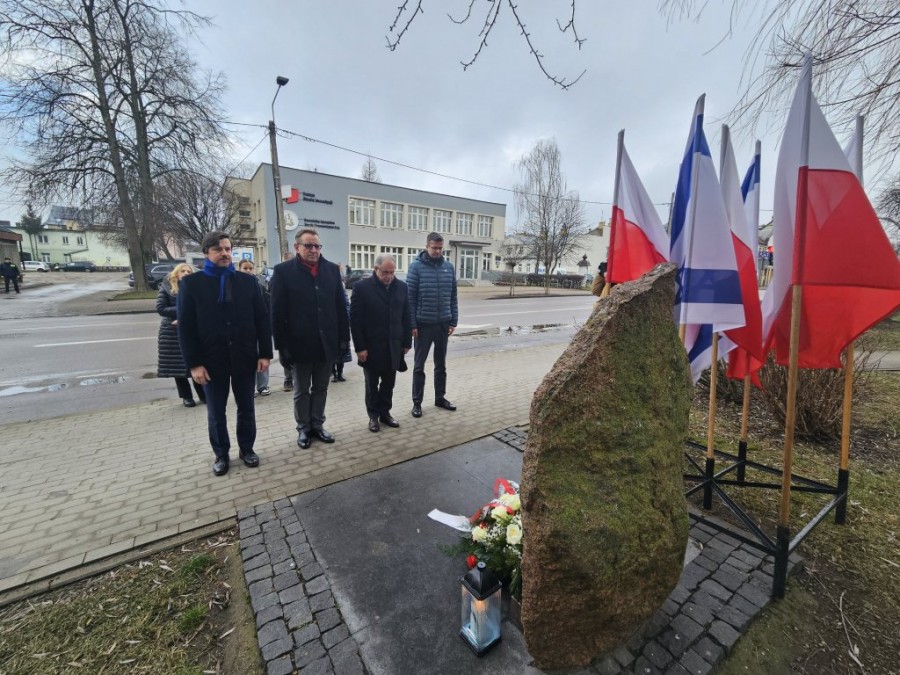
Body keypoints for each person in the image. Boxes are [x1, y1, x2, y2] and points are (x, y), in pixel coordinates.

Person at [177, 231, 272, 476]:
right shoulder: (191, 284)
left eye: (228, 249)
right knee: (216, 411)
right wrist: (194, 364)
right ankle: (221, 454)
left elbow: (262, 320)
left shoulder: (247, 281)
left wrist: (265, 354)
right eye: (219, 249)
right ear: (207, 253)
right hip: (211, 361)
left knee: (246, 407)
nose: (225, 253)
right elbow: (186, 328)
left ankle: (247, 449)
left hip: (244, 356)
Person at [270, 229, 349, 449]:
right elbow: (276, 314)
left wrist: (344, 341)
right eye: (308, 246)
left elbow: (341, 309)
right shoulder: (283, 272)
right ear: (297, 247)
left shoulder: (332, 270)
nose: (314, 250)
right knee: (301, 390)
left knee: (321, 388)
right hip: (299, 345)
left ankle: (318, 425)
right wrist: (282, 348)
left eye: (317, 246)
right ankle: (303, 428)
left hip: (327, 344)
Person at [350, 254, 412, 432]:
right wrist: (360, 347)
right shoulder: (362, 288)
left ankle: (385, 413)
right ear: (375, 269)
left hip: (394, 346)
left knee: (388, 383)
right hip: (371, 347)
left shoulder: (401, 287)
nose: (389, 276)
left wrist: (407, 342)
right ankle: (373, 416)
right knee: (371, 385)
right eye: (385, 272)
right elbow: (355, 321)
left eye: (392, 272)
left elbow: (406, 316)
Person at [406, 231, 458, 418]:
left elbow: (453, 295)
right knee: (419, 366)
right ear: (426, 246)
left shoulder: (448, 267)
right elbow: (410, 299)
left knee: (440, 365)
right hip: (422, 326)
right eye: (434, 248)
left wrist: (453, 320)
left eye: (440, 248)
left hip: (443, 324)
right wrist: (412, 324)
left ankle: (440, 397)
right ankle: (417, 403)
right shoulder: (416, 267)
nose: (437, 251)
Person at [156, 263, 206, 407]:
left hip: (191, 328)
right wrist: (183, 312)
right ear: (176, 274)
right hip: (171, 332)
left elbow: (202, 307)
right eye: (182, 271)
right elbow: (161, 308)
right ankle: (186, 397)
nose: (185, 273)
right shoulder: (166, 287)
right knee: (177, 366)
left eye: (188, 271)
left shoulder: (195, 288)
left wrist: (186, 316)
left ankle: (203, 394)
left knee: (195, 363)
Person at [238, 259, 271, 397]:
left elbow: (265, 308)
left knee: (261, 357)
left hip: (258, 328)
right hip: (242, 330)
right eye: (245, 268)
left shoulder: (260, 287)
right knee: (246, 360)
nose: (248, 271)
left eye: (250, 268)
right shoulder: (234, 286)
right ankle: (248, 387)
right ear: (239, 269)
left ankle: (262, 386)